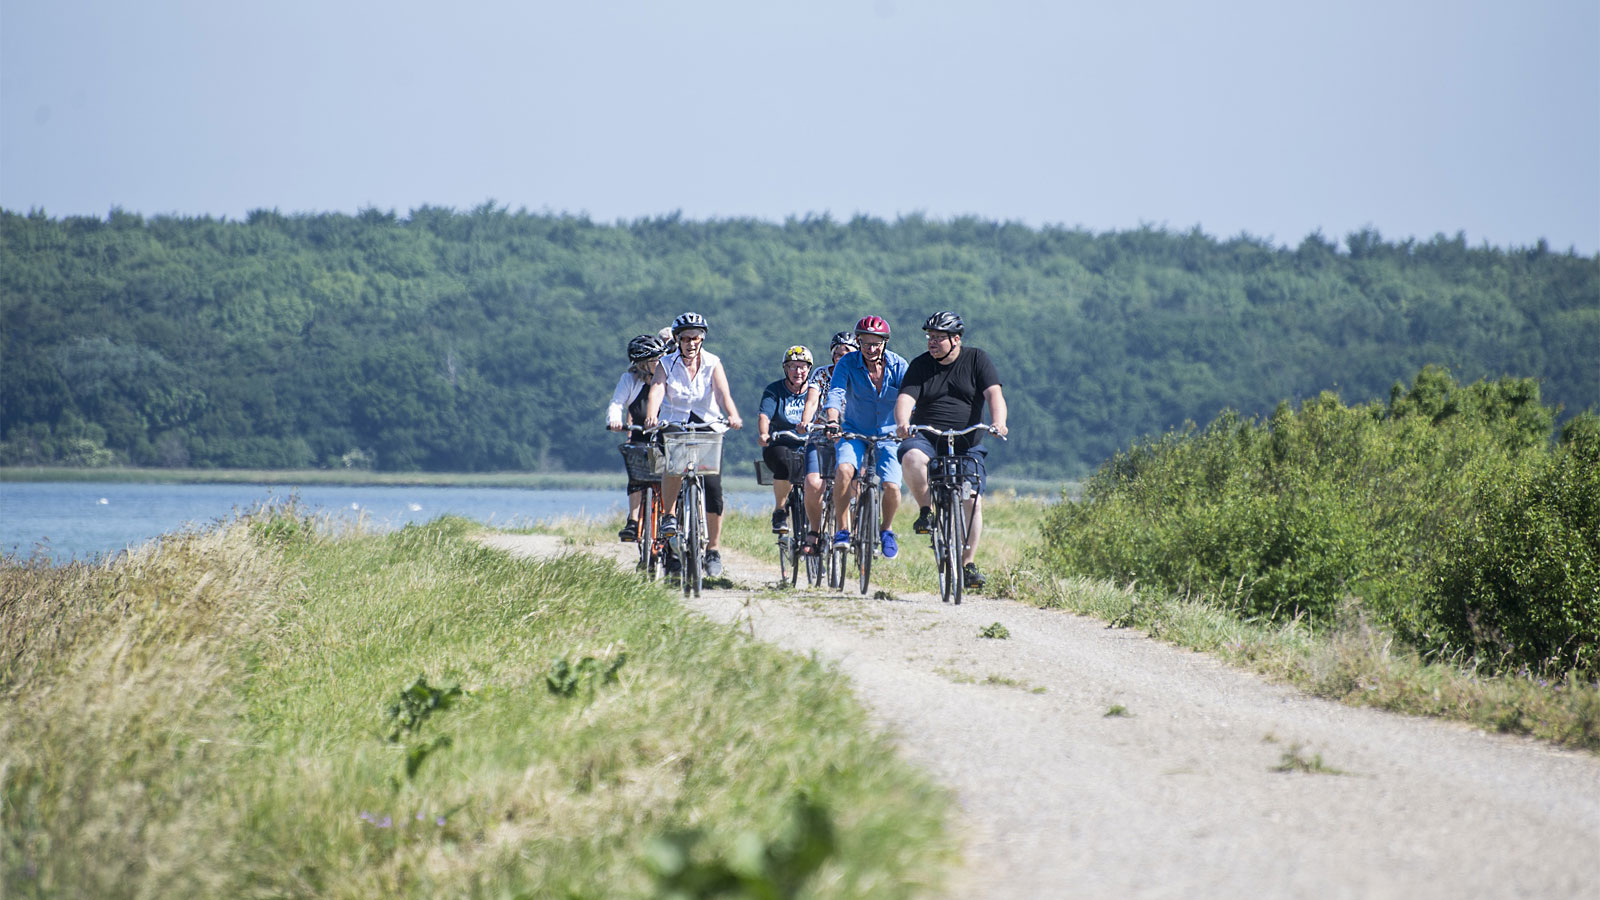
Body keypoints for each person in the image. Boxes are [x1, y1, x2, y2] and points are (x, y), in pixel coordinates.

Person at [894, 310, 1009, 589]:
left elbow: (994, 394)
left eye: (938, 338)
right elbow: (906, 398)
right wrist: (902, 423)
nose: (931, 342)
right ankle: (926, 511)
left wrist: (998, 423)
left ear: (955, 339)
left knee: (973, 500)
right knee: (911, 457)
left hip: (966, 442)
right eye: (929, 337)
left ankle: (968, 563)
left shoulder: (976, 359)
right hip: (927, 438)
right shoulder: (920, 365)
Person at [643, 311, 743, 577]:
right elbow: (657, 389)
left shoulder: (712, 362)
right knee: (673, 463)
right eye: (686, 338)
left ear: (702, 339)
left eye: (696, 338)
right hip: (675, 422)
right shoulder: (666, 363)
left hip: (706, 424)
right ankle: (670, 515)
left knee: (712, 485)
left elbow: (722, 393)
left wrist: (732, 414)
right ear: (677, 339)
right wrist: (652, 414)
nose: (691, 343)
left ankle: (713, 549)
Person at [822, 315, 908, 560]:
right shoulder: (847, 363)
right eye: (866, 343)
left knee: (891, 485)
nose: (871, 349)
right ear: (858, 342)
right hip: (854, 431)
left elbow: (910, 396)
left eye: (876, 343)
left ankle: (886, 530)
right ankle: (843, 529)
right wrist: (831, 419)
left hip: (889, 435)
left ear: (885, 342)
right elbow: (836, 393)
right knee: (844, 470)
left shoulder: (899, 365)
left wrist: (908, 422)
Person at [798, 331, 858, 555]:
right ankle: (814, 531)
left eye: (848, 353)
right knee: (813, 483)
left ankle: (851, 530)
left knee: (857, 483)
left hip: (851, 434)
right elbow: (812, 400)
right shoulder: (822, 374)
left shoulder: (861, 375)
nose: (841, 358)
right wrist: (806, 420)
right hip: (822, 434)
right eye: (838, 353)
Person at [607, 333, 670, 542]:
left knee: (670, 478)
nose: (660, 363)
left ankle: (672, 519)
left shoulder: (668, 377)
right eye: (655, 360)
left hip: (665, 436)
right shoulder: (630, 380)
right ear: (643, 364)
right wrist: (615, 420)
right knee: (637, 476)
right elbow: (617, 402)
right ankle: (633, 521)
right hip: (640, 435)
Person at [757, 345, 813, 533]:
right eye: (793, 366)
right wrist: (764, 434)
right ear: (785, 369)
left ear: (809, 369)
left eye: (803, 366)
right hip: (780, 442)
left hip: (808, 443)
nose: (798, 371)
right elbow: (764, 416)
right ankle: (780, 510)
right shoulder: (775, 390)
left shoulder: (814, 391)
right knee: (784, 464)